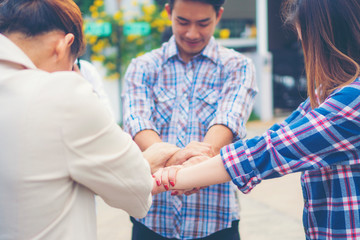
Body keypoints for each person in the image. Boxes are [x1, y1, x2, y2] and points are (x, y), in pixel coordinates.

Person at [154, 0, 360, 239]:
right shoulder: (325, 94)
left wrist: (160, 180)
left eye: (305, 41)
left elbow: (270, 150)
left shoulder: (353, 100)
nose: (304, 50)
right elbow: (277, 134)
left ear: (326, 40)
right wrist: (192, 166)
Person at [0, 0, 179, 239]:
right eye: (72, 66)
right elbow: (135, 191)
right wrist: (145, 161)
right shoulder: (62, 94)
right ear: (64, 46)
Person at [122, 0, 257, 239]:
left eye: (203, 23)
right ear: (168, 12)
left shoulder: (238, 66)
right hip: (152, 218)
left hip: (215, 220)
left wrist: (197, 162)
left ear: (218, 16)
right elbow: (137, 121)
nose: (192, 33)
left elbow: (229, 118)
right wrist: (184, 161)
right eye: (183, 22)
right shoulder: (142, 67)